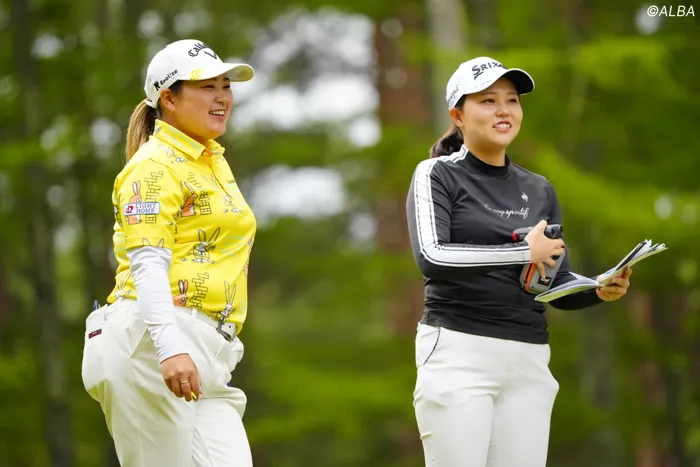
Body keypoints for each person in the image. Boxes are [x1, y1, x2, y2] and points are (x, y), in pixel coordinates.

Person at [405, 56, 633, 467]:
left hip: (529, 358)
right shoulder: (436, 174)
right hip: (458, 351)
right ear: (458, 115)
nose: (504, 110)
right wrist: (525, 251)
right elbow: (433, 256)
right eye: (488, 101)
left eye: (511, 100)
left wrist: (598, 288)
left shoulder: (539, 188)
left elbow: (552, 282)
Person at [80, 39, 257, 467]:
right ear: (169, 99)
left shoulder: (210, 161)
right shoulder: (153, 164)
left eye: (226, 86)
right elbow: (147, 264)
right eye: (207, 87)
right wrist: (170, 347)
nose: (222, 97)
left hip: (209, 351)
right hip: (152, 343)